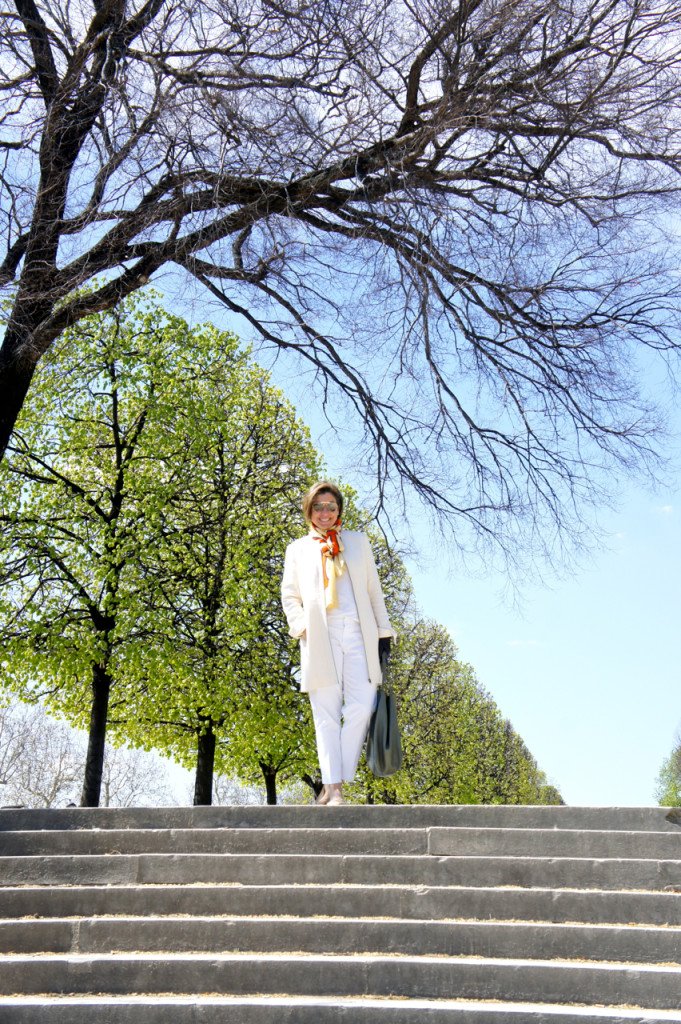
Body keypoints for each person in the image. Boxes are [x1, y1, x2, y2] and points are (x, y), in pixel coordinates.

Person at [281, 481, 395, 805]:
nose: (325, 512)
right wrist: (301, 627)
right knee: (326, 712)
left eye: (331, 506)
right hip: (321, 633)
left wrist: (384, 633)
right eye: (318, 506)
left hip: (359, 632)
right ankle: (335, 788)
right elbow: (289, 595)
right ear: (309, 510)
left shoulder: (358, 543)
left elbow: (374, 591)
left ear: (339, 510)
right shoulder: (298, 549)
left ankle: (334, 782)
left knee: (361, 705)